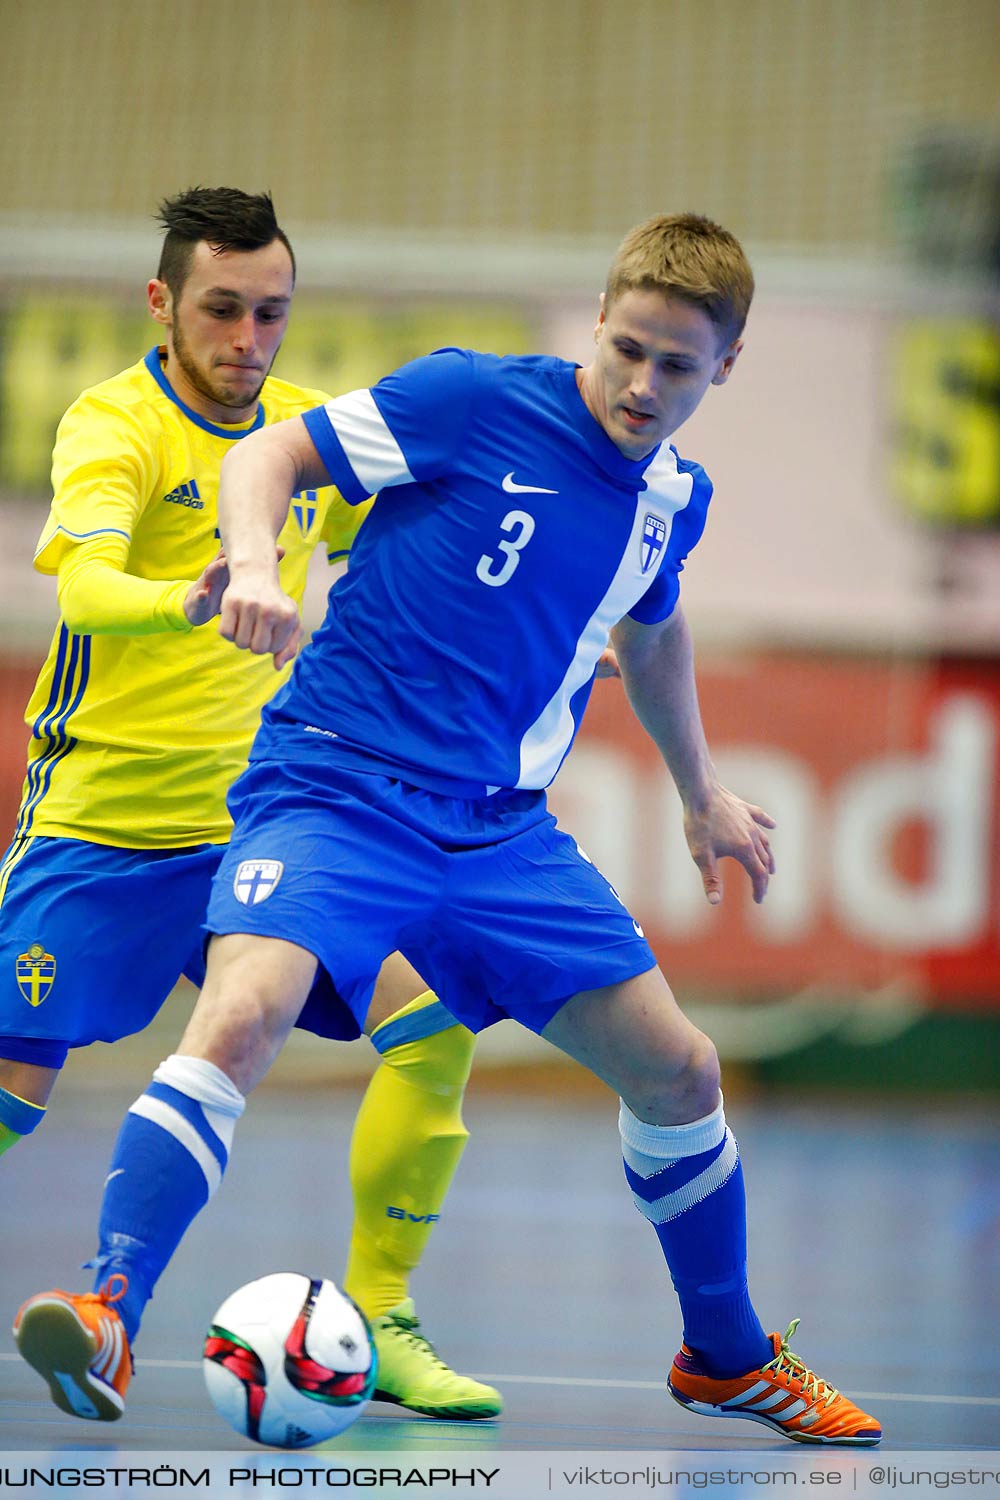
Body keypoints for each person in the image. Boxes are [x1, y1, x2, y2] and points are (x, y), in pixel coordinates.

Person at [15, 213, 882, 1446]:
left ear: (724, 368)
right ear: (595, 320)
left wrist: (700, 791)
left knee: (682, 1069)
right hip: (333, 787)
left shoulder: (673, 497)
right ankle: (107, 1303)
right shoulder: (470, 399)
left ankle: (727, 1356)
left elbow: (651, 628)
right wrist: (254, 565)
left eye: (677, 366)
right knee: (245, 1009)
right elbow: (267, 457)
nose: (642, 385)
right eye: (627, 348)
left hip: (499, 836)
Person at [0, 187, 501, 1421]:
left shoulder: (301, 435)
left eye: (271, 313)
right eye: (221, 310)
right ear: (162, 302)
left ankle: (370, 1324)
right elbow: (87, 586)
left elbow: (411, 552)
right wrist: (186, 596)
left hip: (273, 821)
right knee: (12, 1098)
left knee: (430, 1027)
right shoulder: (112, 424)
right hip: (104, 822)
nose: (247, 339)